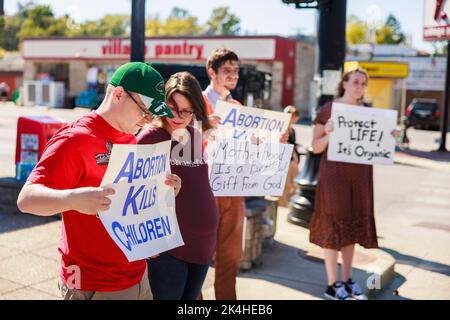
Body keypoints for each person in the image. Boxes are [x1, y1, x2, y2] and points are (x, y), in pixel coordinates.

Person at [16, 62, 182, 300]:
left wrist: (163, 191)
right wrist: (73, 199)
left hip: (137, 275)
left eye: (153, 114)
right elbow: (27, 199)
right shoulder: (74, 139)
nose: (148, 120)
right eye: (145, 111)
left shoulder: (129, 138)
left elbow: (129, 203)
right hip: (94, 283)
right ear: (118, 94)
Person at [137, 72, 218, 300]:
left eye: (186, 110)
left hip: (202, 244)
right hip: (168, 247)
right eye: (173, 107)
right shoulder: (150, 137)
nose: (178, 116)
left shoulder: (193, 134)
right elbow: (129, 191)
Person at [309, 67, 376, 300]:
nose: (359, 86)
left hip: (359, 178)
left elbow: (377, 145)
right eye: (355, 81)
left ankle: (348, 280)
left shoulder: (369, 112)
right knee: (333, 227)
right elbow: (315, 146)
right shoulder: (329, 109)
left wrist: (388, 137)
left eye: (363, 83)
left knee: (352, 228)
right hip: (334, 177)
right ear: (344, 83)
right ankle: (332, 284)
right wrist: (327, 133)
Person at [278, 105, 300, 207]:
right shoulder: (283, 129)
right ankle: (282, 203)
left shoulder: (293, 130)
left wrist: (295, 158)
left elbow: (293, 145)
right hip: (284, 160)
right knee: (284, 183)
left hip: (292, 160)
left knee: (293, 183)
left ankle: (287, 201)